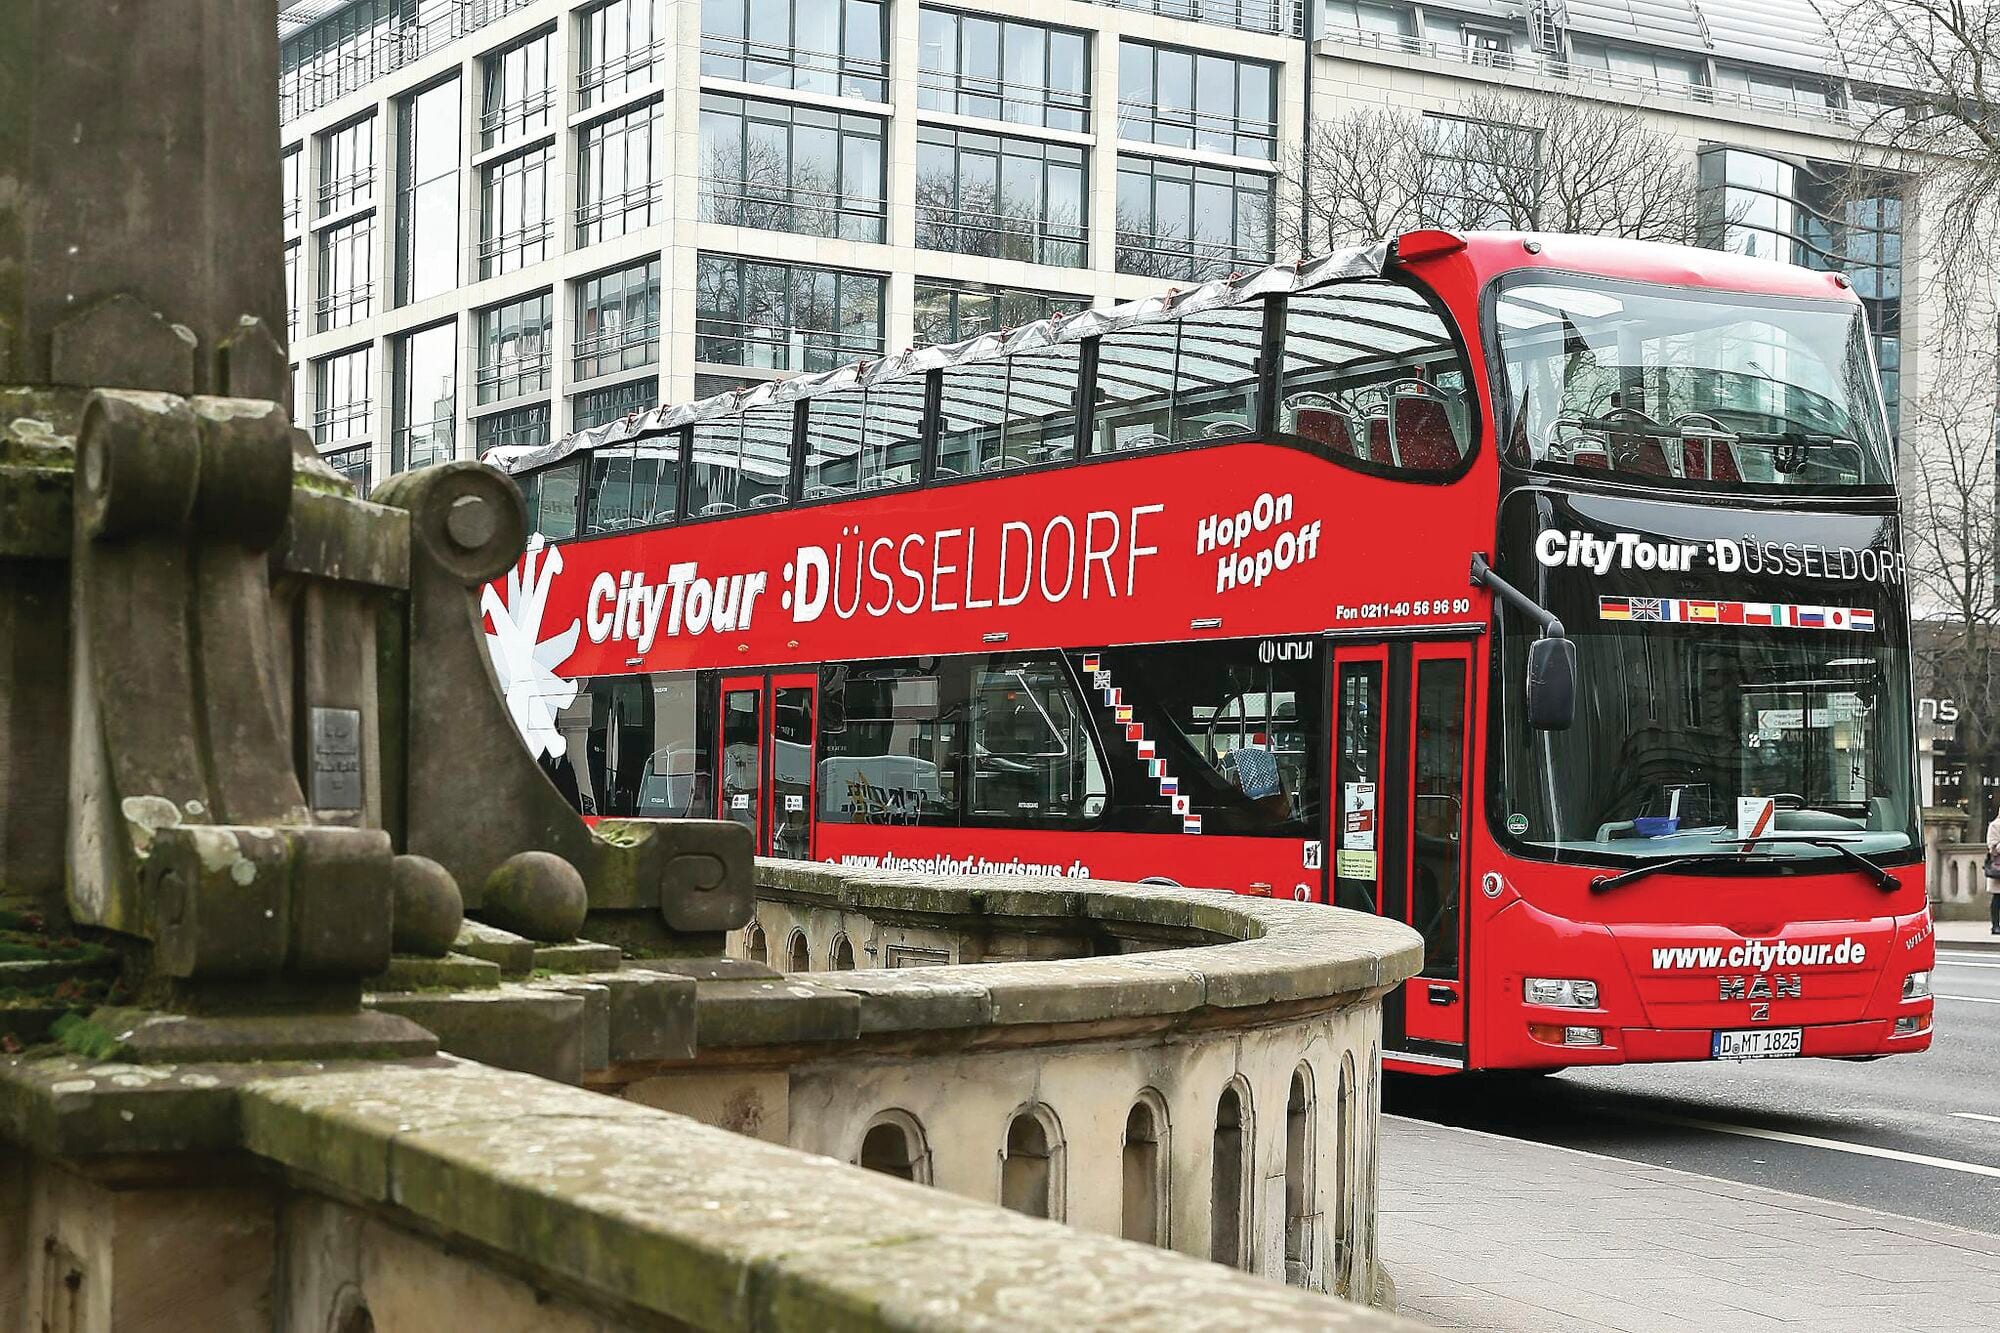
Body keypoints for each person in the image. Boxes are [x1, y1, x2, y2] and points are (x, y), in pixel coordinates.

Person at [1987, 808, 2000, 934]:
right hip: (1998, 866)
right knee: (1997, 897)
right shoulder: (1995, 825)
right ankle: (1995, 925)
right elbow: (1992, 847)